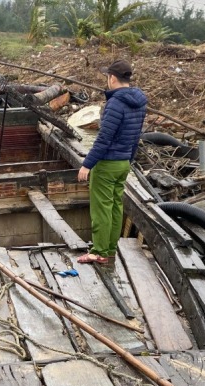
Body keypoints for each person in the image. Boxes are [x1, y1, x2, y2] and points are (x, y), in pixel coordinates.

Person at [77, 59, 147, 264]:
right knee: (116, 206)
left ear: (112, 78)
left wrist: (87, 164)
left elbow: (104, 138)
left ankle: (98, 251)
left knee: (101, 208)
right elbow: (136, 137)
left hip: (107, 164)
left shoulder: (115, 103)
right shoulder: (140, 102)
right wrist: (128, 159)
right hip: (123, 162)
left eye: (107, 76)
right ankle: (109, 249)